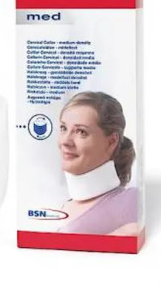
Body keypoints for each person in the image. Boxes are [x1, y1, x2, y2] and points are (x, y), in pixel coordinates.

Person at [57, 91, 138, 236]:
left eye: (81, 132)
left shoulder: (130, 200)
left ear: (111, 142)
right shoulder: (64, 206)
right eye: (63, 128)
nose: (65, 141)